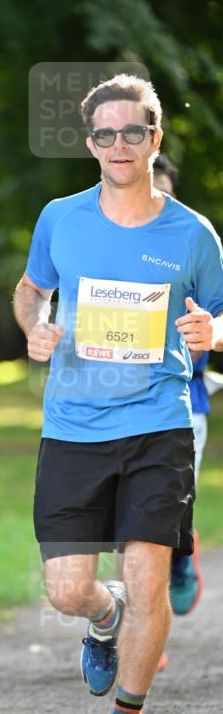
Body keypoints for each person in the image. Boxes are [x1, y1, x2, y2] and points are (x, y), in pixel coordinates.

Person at [13, 74, 223, 714]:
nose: (118, 145)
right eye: (104, 134)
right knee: (67, 589)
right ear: (89, 144)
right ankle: (102, 620)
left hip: (156, 426)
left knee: (148, 581)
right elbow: (29, 290)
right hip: (72, 427)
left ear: (153, 138)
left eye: (132, 132)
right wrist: (35, 327)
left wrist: (209, 332)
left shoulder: (191, 234)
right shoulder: (60, 218)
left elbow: (220, 313)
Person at [152, 154, 207, 635]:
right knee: (128, 530)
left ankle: (179, 560)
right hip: (110, 410)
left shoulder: (193, 245)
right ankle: (137, 631)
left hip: (184, 408)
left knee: (160, 520)